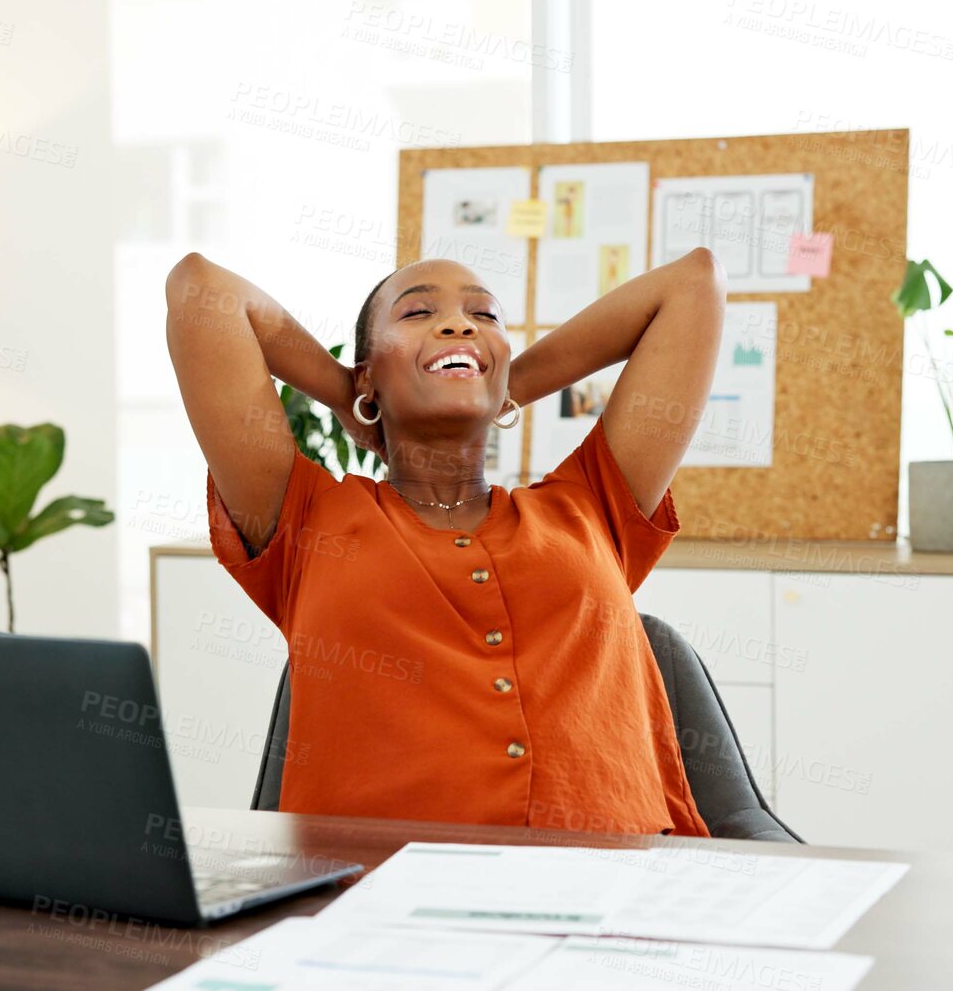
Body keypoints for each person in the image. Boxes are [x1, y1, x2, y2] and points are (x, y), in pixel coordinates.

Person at [163, 247, 726, 836]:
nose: (459, 324)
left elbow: (695, 285)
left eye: (484, 317)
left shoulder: (589, 505)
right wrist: (349, 395)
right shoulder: (305, 519)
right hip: (378, 898)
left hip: (609, 890)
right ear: (367, 371)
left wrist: (496, 381)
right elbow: (201, 289)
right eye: (416, 314)